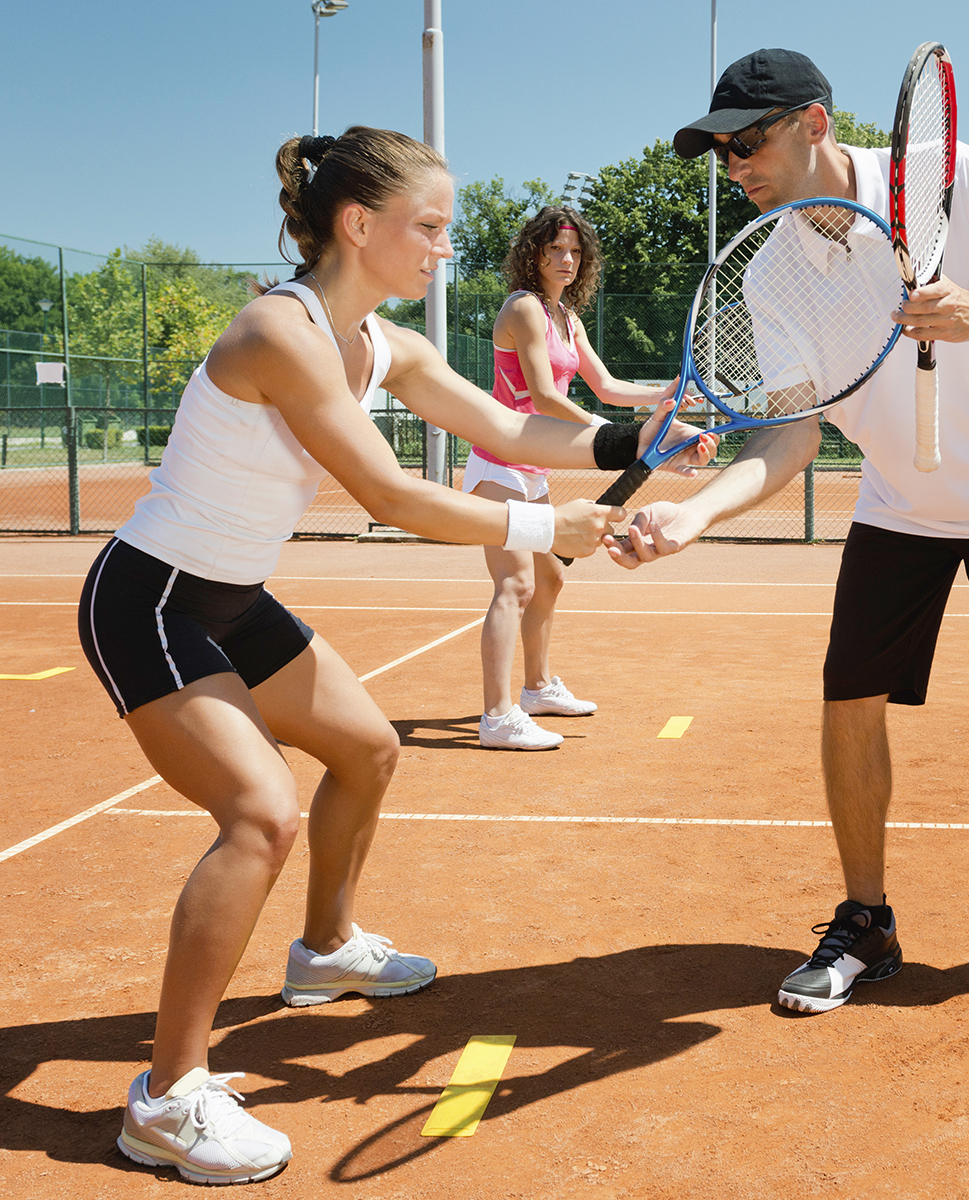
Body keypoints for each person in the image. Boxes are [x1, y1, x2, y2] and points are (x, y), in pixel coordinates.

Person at [77, 127, 711, 1185]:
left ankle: (324, 956)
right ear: (357, 225)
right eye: (429, 228)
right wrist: (541, 531)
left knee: (368, 750)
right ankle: (168, 1098)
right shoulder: (280, 332)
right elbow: (387, 494)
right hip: (153, 601)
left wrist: (629, 446)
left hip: (233, 600)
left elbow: (507, 429)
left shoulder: (385, 344)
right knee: (261, 812)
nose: (444, 250)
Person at [608, 49, 969, 1013]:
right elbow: (791, 433)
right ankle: (866, 920)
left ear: (814, 124)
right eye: (721, 150)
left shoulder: (949, 181)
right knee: (848, 695)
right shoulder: (770, 273)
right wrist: (692, 513)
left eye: (749, 140)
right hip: (901, 501)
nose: (734, 163)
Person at [467, 206, 688, 750]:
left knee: (550, 579)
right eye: (554, 250)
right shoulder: (523, 308)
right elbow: (544, 396)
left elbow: (608, 385)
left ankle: (537, 688)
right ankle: (496, 717)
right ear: (533, 254)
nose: (566, 260)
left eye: (574, 252)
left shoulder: (569, 319)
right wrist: (622, 435)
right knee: (515, 585)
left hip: (534, 467)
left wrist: (665, 394)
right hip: (498, 463)